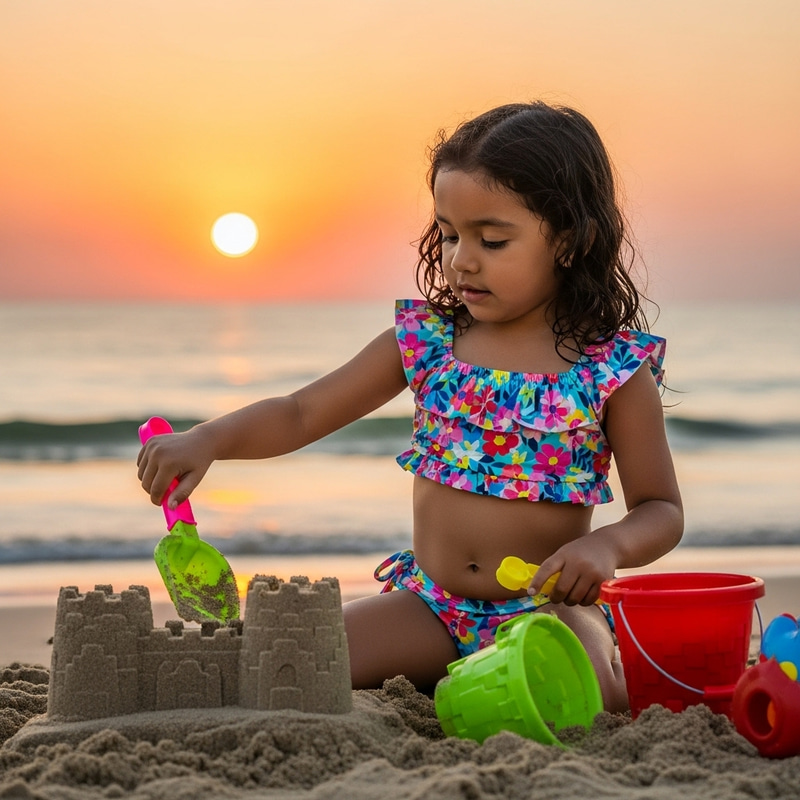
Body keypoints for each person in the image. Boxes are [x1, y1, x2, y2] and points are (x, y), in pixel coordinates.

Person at [137, 101, 683, 712]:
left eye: (492, 239)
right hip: (429, 609)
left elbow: (660, 508)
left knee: (596, 699)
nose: (461, 259)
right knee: (292, 662)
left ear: (570, 241)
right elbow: (300, 412)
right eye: (449, 234)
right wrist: (209, 439)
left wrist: (605, 548)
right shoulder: (428, 341)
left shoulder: (610, 369)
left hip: (546, 610)